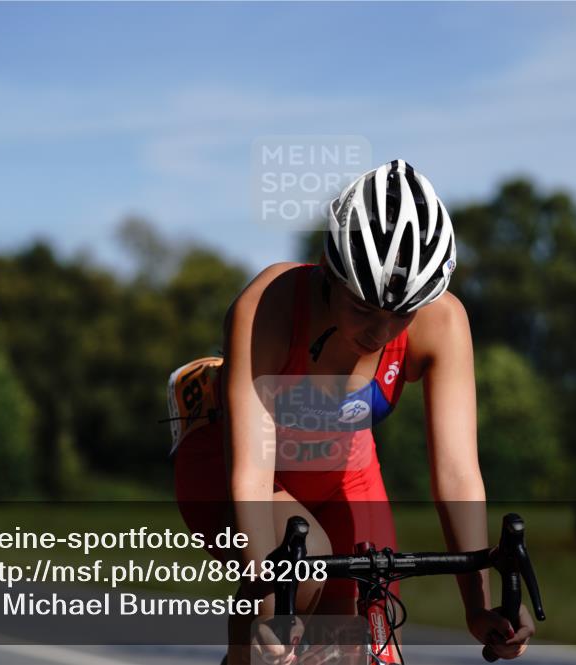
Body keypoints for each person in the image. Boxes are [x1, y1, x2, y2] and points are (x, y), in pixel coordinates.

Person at [167, 160, 534, 664]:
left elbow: (457, 473)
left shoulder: (442, 322)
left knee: (371, 634)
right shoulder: (270, 304)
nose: (381, 332)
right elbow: (250, 475)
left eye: (401, 314)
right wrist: (266, 601)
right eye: (362, 308)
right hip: (233, 461)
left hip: (345, 467)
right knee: (297, 576)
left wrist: (479, 605)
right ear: (328, 268)